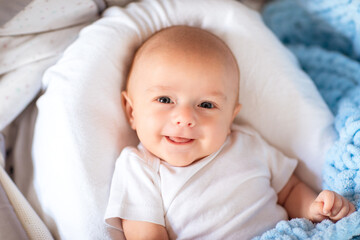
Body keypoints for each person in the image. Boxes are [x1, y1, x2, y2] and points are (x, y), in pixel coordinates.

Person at [104, 26, 355, 240]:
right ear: (132, 111)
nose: (185, 118)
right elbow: (146, 234)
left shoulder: (248, 143)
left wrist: (315, 208)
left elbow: (289, 190)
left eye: (206, 105)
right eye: (165, 99)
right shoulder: (139, 167)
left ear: (230, 118)